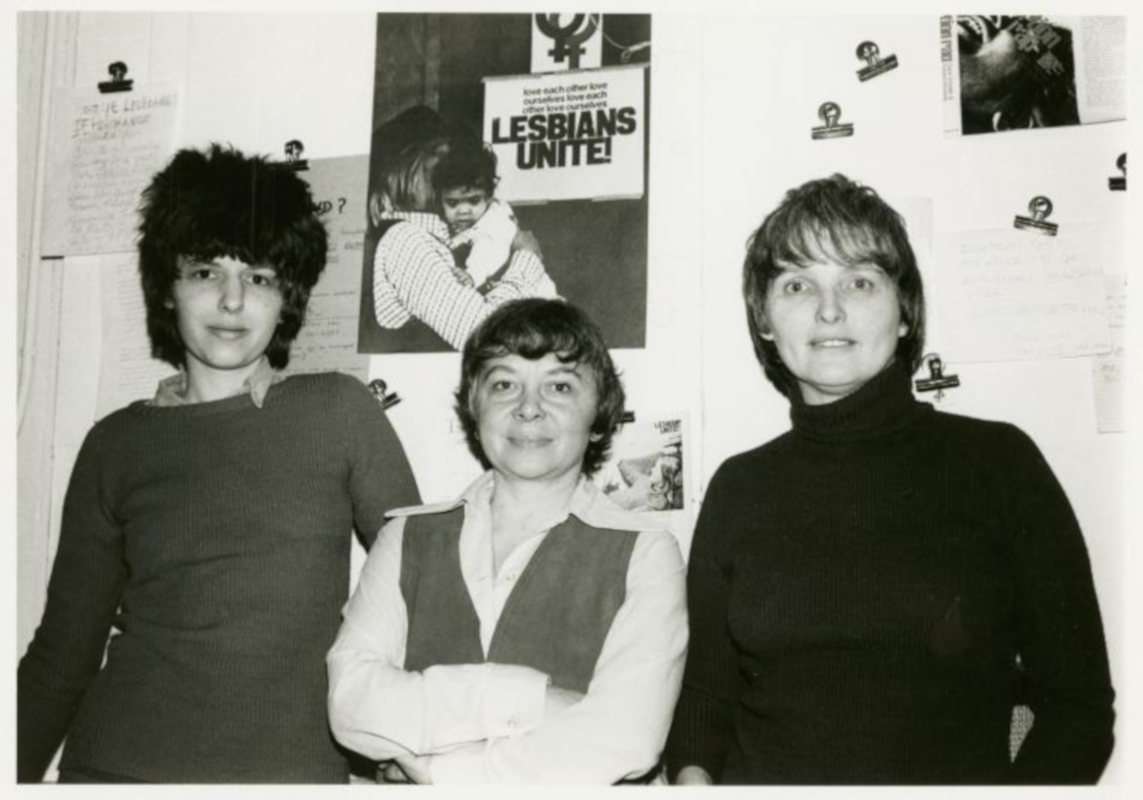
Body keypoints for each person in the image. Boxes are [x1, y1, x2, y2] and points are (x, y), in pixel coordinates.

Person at [665, 174, 1115, 784]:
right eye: (797, 284)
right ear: (764, 320)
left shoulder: (999, 464)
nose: (829, 309)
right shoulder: (738, 487)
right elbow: (704, 699)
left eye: (859, 281)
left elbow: (1077, 708)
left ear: (904, 312)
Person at [17, 145, 421, 783]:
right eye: (205, 271)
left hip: (288, 774)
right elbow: (61, 657)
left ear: (287, 297)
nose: (232, 301)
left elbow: (426, 595)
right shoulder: (115, 444)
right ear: (167, 289)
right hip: (115, 769)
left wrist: (419, 744)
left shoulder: (338, 412)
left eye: (258, 277)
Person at [327, 298, 688, 784]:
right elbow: (352, 703)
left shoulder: (646, 553)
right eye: (504, 384)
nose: (528, 408)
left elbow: (627, 737)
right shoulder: (405, 537)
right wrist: (533, 701)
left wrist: (439, 771)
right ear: (474, 407)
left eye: (559, 386)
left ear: (599, 411)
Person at [369, 110, 557, 350]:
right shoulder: (404, 240)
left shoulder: (446, 235)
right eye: (436, 153)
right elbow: (487, 340)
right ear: (400, 170)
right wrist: (526, 257)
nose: (449, 167)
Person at [431, 137, 557, 295]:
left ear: (489, 196)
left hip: (536, 294)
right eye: (452, 203)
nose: (463, 211)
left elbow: (491, 248)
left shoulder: (496, 219)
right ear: (440, 200)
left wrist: (472, 275)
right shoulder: (453, 224)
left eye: (474, 200)